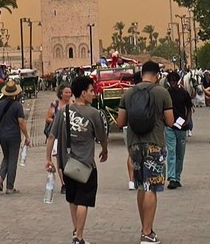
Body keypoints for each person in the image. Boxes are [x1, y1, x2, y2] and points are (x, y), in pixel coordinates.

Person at [46, 73, 108, 244]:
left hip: (67, 165)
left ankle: (75, 232)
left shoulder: (63, 111)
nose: (94, 93)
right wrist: (105, 150)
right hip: (86, 166)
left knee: (73, 199)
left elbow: (51, 137)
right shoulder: (93, 113)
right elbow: (102, 137)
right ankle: (79, 237)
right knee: (83, 201)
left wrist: (48, 159)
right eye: (91, 90)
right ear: (82, 93)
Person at [117, 60, 174, 244]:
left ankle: (145, 228)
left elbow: (120, 122)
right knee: (152, 187)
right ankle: (147, 233)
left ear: (142, 73)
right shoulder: (162, 92)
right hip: (155, 144)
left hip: (134, 145)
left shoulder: (128, 93)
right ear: (157, 75)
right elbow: (170, 121)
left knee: (141, 185)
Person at [0, 78, 30, 193]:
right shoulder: (17, 106)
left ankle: (0, 177)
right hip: (14, 136)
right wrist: (27, 136)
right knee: (12, 159)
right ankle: (9, 187)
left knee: (6, 157)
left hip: (2, 135)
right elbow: (21, 122)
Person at [165, 70, 192, 189]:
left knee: (180, 153)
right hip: (170, 126)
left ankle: (177, 176)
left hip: (181, 126)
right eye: (171, 81)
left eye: (174, 81)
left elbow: (189, 108)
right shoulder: (166, 93)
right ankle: (172, 178)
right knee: (171, 152)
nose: (173, 83)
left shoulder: (184, 93)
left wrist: (187, 121)